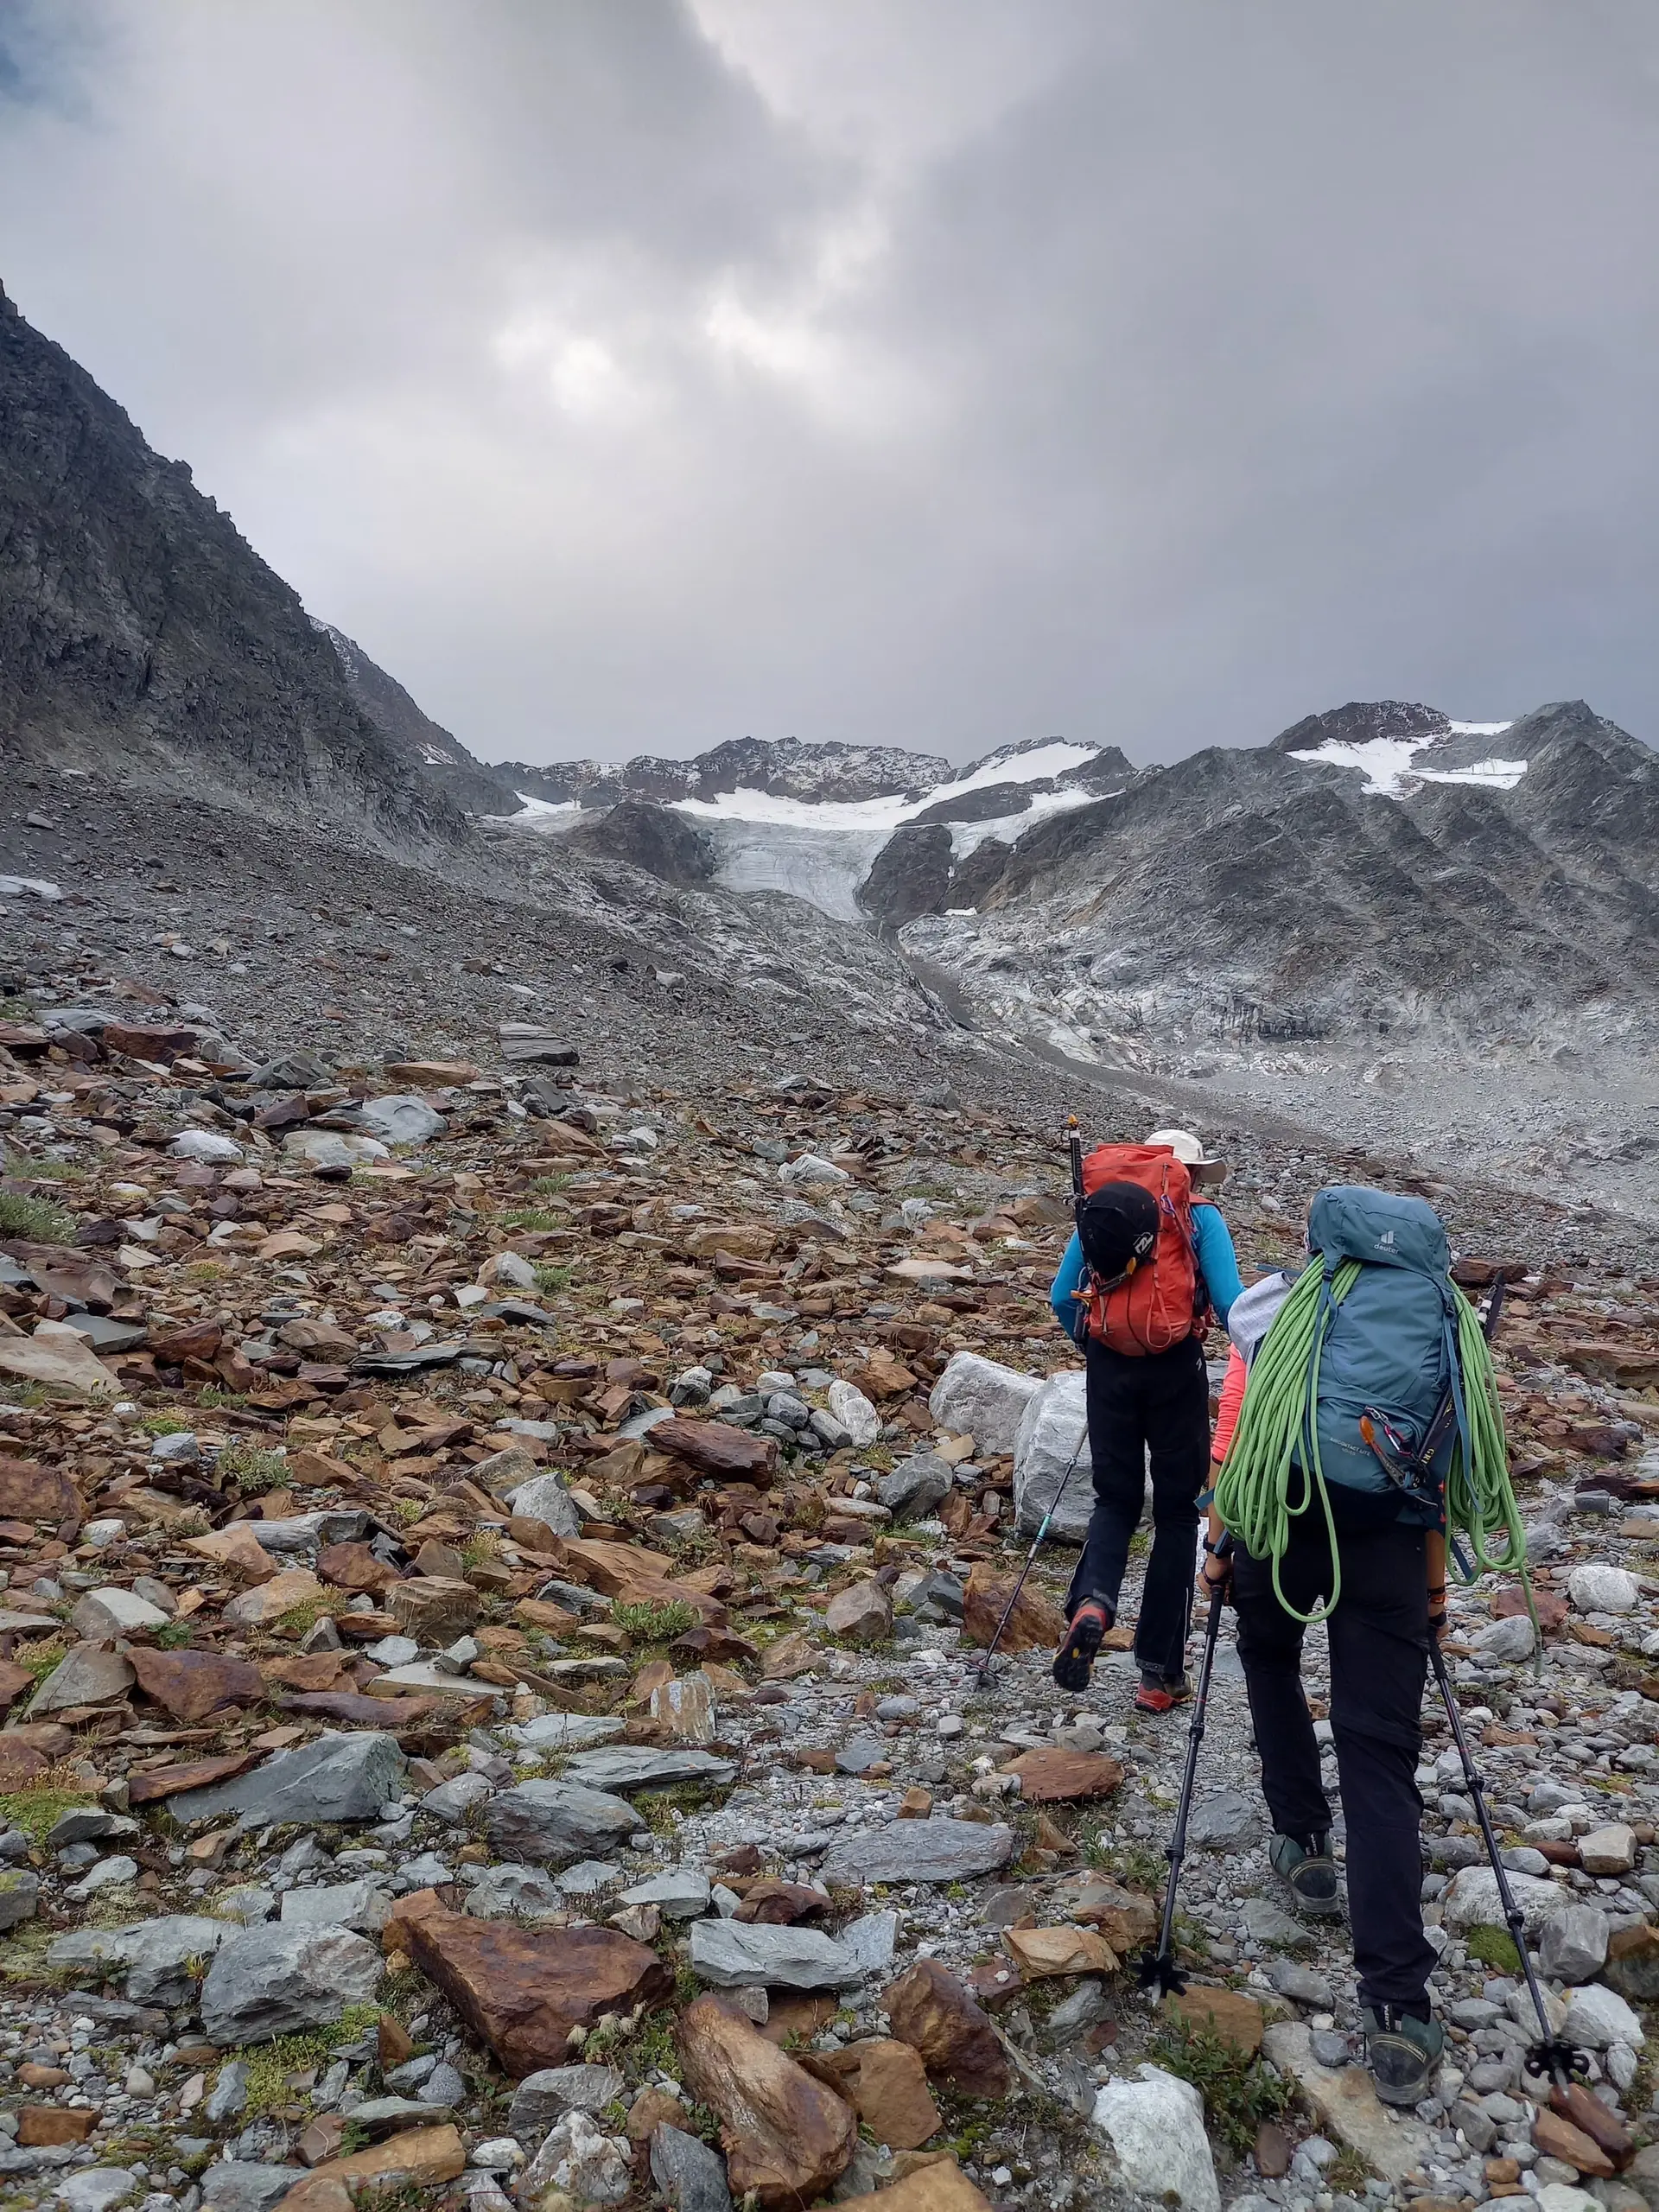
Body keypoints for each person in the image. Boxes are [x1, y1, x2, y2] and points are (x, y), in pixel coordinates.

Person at [1201, 1193, 1459, 2109]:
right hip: (1390, 1543)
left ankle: (1304, 1843)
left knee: (1270, 1659)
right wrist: (1434, 1594)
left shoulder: (1272, 1304)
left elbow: (1238, 1435)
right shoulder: (1447, 1324)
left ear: (1318, 1243)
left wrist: (1219, 1546)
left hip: (1283, 1522)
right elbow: (1448, 1471)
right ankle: (1397, 2007)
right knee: (1380, 1754)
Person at [1048, 1127, 1243, 1711]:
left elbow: (1062, 1296)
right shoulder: (1201, 1217)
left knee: (1115, 1500)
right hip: (1176, 1367)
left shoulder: (1105, 1206)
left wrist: (1096, 1345)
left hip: (1109, 1365)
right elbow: (1232, 1305)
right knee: (1178, 1514)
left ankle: (1093, 1603)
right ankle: (1159, 1675)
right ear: (1189, 1173)